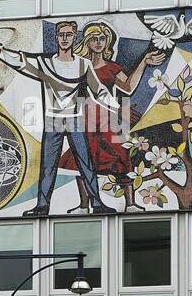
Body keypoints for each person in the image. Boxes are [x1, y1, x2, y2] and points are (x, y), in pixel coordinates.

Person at [0, 20, 121, 216]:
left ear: (74, 37)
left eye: (68, 35)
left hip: (75, 119)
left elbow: (98, 90)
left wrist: (116, 107)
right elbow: (21, 62)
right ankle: (42, 206)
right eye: (61, 35)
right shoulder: (47, 63)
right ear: (56, 37)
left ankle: (97, 204)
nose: (64, 38)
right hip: (53, 120)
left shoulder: (83, 64)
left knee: (86, 164)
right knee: (47, 166)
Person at [61, 21, 166, 212]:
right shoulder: (79, 66)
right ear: (87, 41)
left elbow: (128, 87)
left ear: (107, 41)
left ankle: (131, 204)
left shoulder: (111, 67)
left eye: (102, 38)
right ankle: (84, 205)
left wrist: (143, 62)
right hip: (86, 118)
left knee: (121, 156)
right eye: (94, 38)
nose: (99, 42)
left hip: (109, 117)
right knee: (82, 158)